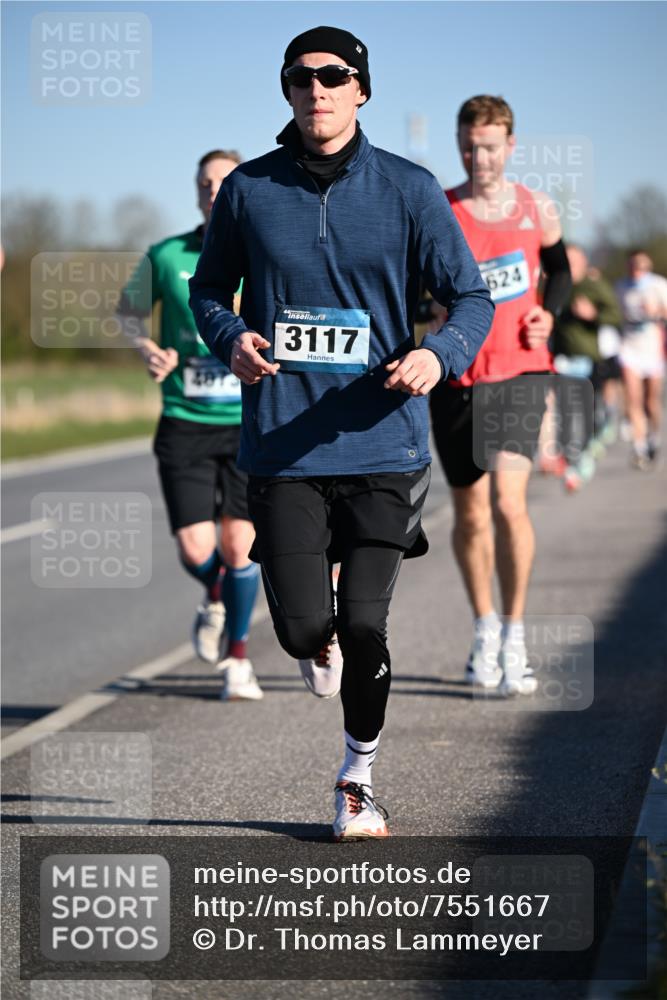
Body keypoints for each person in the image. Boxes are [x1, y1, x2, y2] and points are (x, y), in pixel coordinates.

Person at [189, 26, 494, 840]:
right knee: (301, 629)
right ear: (286, 90)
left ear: (361, 90)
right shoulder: (249, 191)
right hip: (284, 446)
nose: (316, 90)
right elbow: (210, 290)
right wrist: (231, 338)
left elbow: (470, 297)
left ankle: (356, 780)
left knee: (365, 624)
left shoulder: (409, 189)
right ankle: (311, 641)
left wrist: (440, 357)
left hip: (382, 445)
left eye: (333, 76)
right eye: (300, 78)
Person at [427, 95, 572, 695]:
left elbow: (559, 271)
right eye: (467, 145)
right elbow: (415, 281)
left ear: (510, 146)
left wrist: (549, 314)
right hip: (459, 373)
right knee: (471, 511)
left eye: (488, 145)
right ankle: (484, 627)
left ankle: (515, 635)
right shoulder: (443, 209)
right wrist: (430, 310)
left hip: (520, 370)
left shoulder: (538, 208)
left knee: (511, 503)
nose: (477, 156)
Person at [117, 150, 262, 701]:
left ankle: (239, 661)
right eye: (204, 183)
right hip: (184, 417)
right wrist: (146, 347)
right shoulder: (167, 254)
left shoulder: (263, 251)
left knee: (239, 544)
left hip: (248, 420)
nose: (212, 192)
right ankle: (219, 596)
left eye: (224, 183)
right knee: (194, 548)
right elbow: (128, 312)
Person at [552, 244, 622, 491]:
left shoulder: (594, 286)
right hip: (561, 359)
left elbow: (615, 315)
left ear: (583, 262)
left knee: (589, 412)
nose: (570, 266)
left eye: (574, 260)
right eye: (566, 260)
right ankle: (574, 465)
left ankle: (596, 436)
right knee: (565, 412)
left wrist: (592, 314)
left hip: (590, 360)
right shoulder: (557, 285)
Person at [615, 250, 667, 468]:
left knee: (651, 402)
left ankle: (654, 437)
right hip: (630, 349)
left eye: (642, 266)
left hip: (653, 349)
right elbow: (613, 314)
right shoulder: (620, 287)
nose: (638, 271)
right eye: (634, 266)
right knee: (633, 399)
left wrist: (656, 311)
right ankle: (639, 448)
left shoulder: (658, 285)